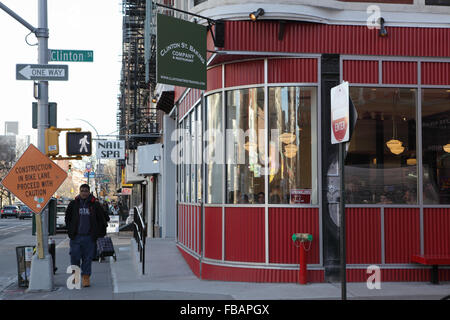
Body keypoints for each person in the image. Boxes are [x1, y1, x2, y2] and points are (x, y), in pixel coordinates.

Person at [65, 184, 107, 287]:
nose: (84, 193)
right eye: (82, 191)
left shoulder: (94, 205)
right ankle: (76, 275)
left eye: (86, 191)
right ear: (79, 192)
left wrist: (99, 232)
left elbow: (103, 218)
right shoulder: (73, 204)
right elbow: (68, 218)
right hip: (76, 236)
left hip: (89, 237)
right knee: (74, 256)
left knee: (87, 258)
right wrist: (70, 231)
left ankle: (86, 278)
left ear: (89, 192)